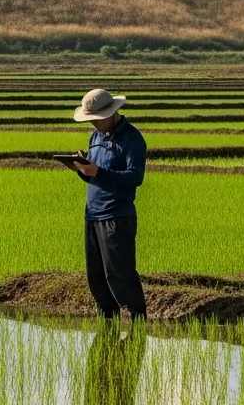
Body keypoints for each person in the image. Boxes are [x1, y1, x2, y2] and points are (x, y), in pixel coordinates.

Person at [71, 88, 148, 321]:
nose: (93, 123)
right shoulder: (95, 136)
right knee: (95, 275)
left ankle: (137, 320)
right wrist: (82, 169)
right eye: (90, 119)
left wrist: (98, 172)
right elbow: (95, 175)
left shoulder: (132, 138)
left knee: (119, 274)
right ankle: (108, 321)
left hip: (116, 215)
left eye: (97, 118)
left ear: (112, 113)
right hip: (92, 214)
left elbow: (135, 177)